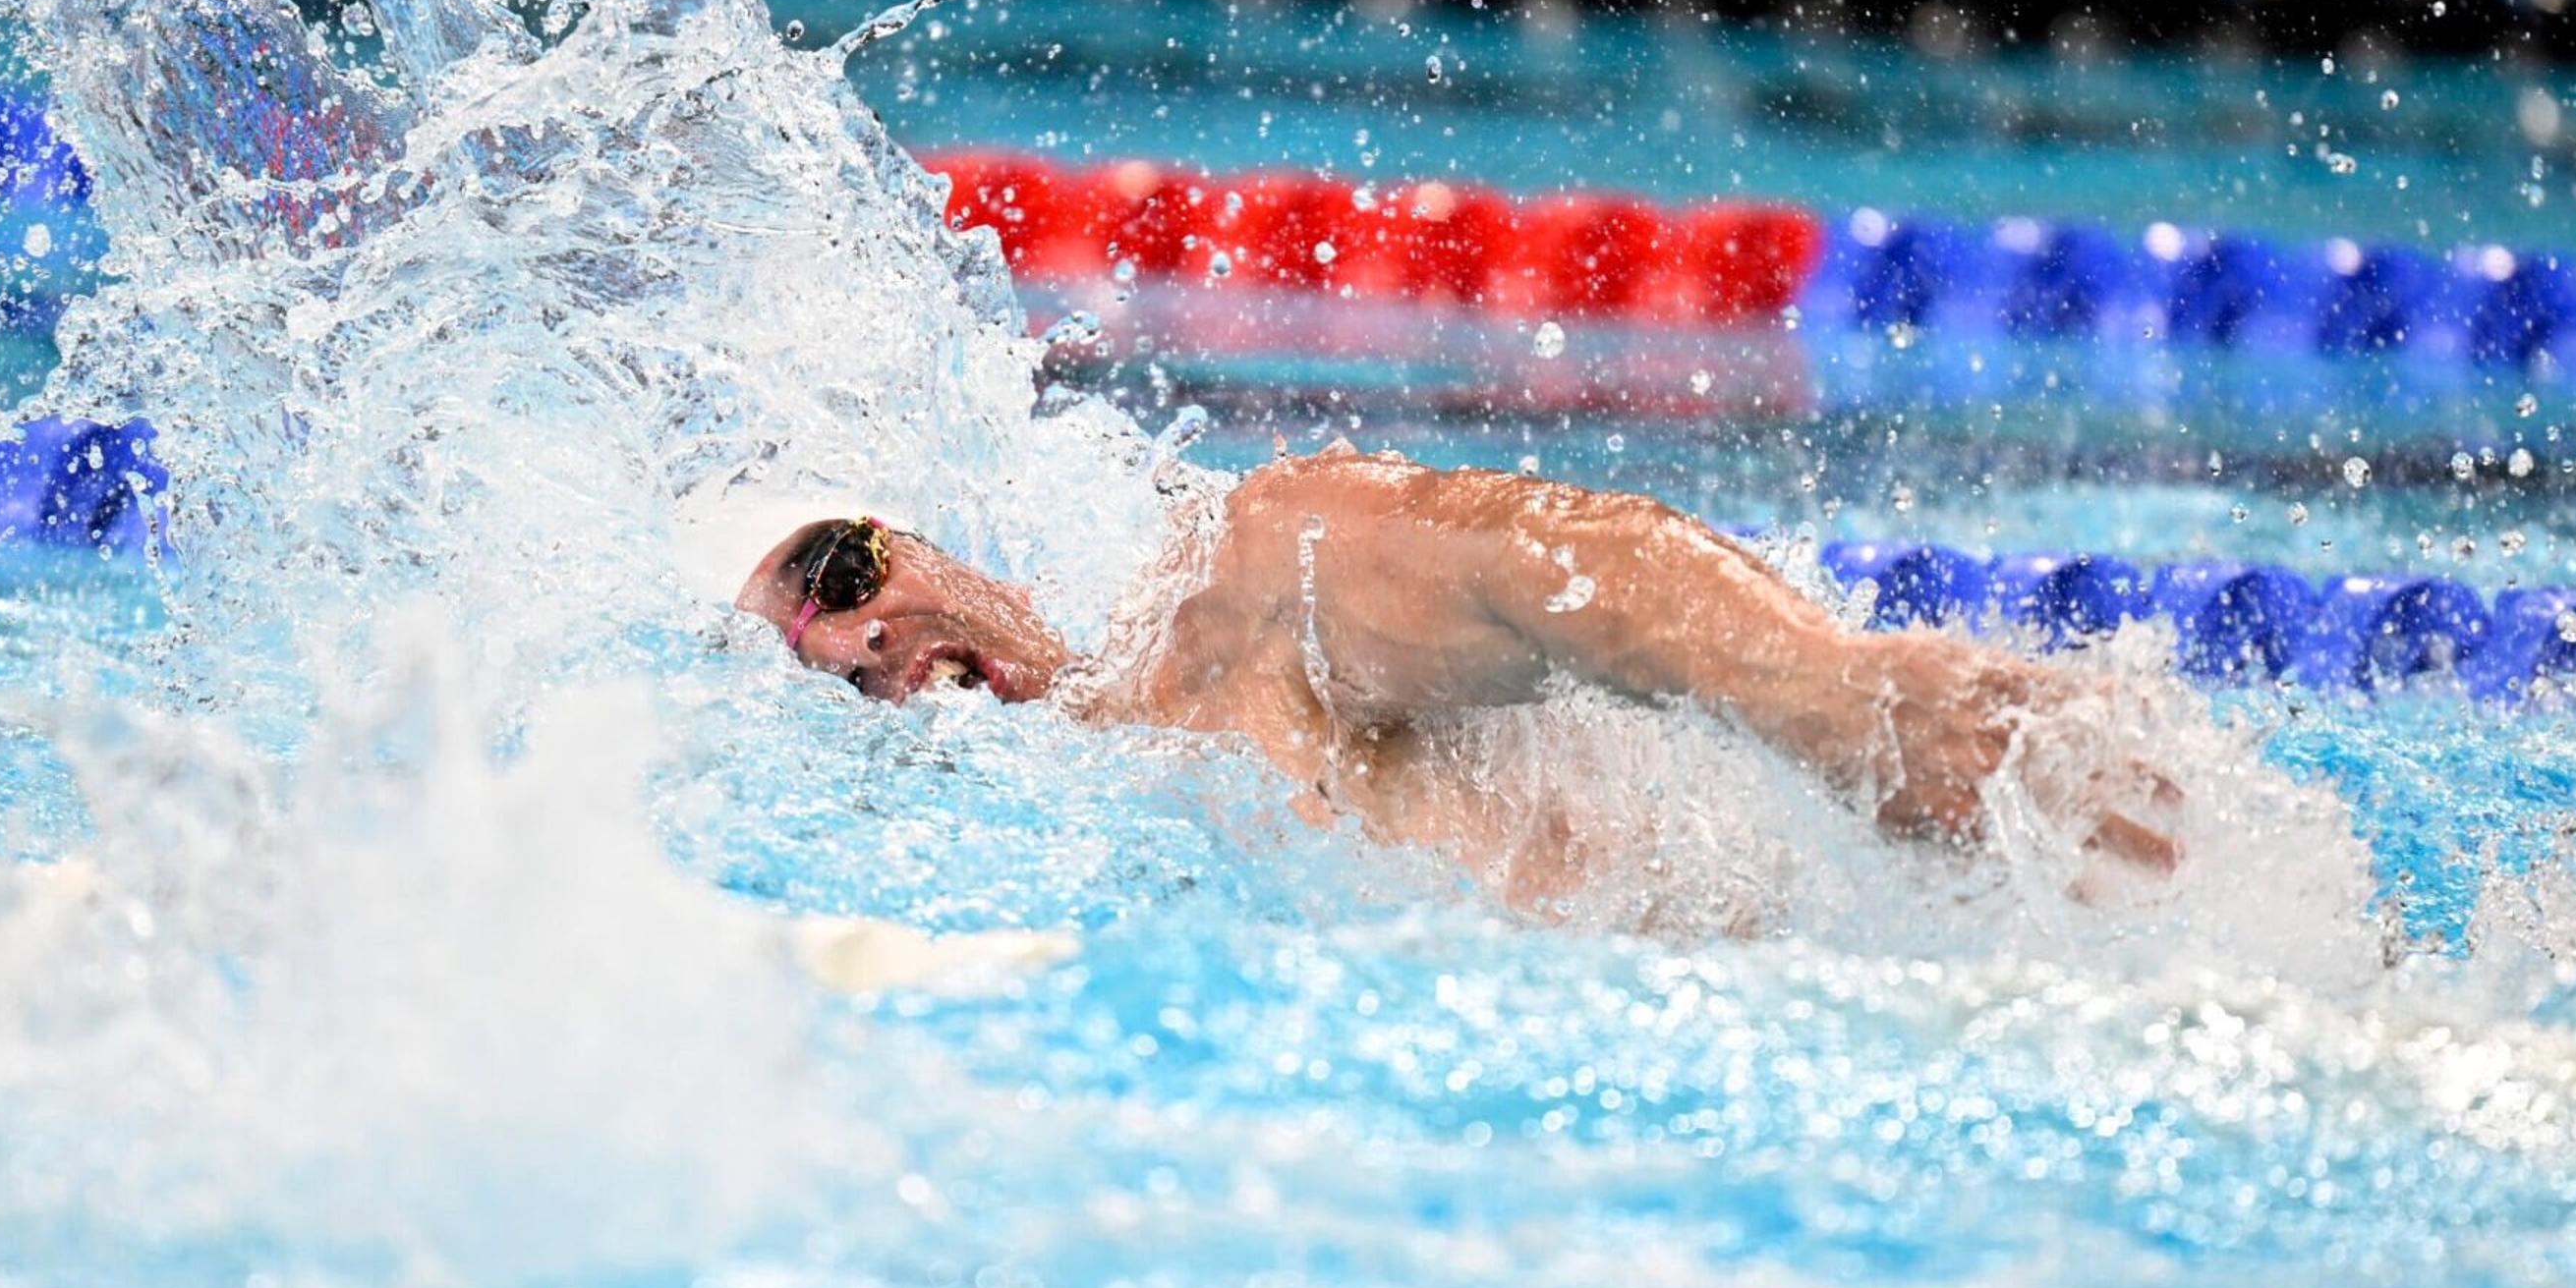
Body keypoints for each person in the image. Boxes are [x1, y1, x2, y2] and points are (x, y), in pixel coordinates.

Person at [725, 450, 2183, 911]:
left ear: (934, 552)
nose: (860, 642)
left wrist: (1822, 694)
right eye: (828, 678)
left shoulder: (1226, 604)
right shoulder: (1044, 876)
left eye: (842, 575)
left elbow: (1547, 555)